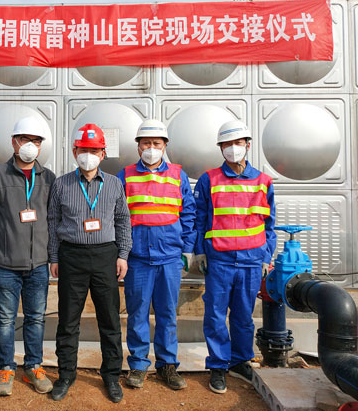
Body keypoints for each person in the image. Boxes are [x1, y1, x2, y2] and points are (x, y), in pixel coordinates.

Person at [48, 123, 132, 404]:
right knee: (68, 320)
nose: (88, 155)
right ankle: (66, 374)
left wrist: (123, 254)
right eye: (84, 150)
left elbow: (123, 220)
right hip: (71, 255)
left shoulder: (115, 184)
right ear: (75, 152)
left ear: (103, 153)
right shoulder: (61, 184)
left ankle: (111, 375)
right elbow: (53, 222)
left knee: (109, 319)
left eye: (94, 151)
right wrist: (54, 257)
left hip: (105, 255)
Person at [0, 116, 56, 397]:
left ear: (41, 145)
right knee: (5, 320)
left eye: (36, 140)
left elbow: (54, 220)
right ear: (14, 142)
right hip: (6, 265)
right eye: (25, 139)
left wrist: (51, 256)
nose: (30, 145)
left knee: (36, 319)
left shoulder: (49, 178)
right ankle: (6, 367)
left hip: (38, 265)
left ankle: (33, 366)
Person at [194, 120, 276, 394]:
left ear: (247, 145)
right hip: (220, 260)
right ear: (220, 148)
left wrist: (265, 256)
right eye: (227, 144)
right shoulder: (209, 179)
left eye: (237, 143)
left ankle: (240, 361)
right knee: (215, 316)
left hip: (251, 261)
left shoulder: (263, 181)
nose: (232, 148)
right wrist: (199, 251)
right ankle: (218, 365)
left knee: (243, 316)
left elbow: (269, 224)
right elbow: (200, 218)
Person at [116, 119, 196, 390]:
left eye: (156, 143)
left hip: (170, 258)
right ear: (138, 147)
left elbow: (188, 213)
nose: (151, 148)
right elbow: (118, 216)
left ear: (165, 146)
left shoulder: (178, 175)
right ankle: (138, 365)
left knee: (167, 314)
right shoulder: (125, 175)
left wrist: (187, 249)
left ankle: (167, 365)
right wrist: (121, 253)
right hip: (137, 258)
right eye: (146, 143)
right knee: (137, 314)